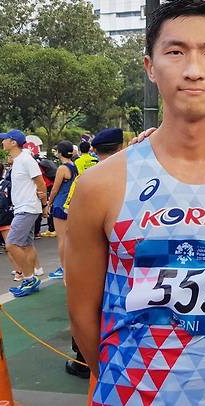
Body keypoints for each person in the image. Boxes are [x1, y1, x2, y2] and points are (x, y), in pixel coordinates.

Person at [65, 0, 205, 405]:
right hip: (129, 392)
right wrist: (126, 376)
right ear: (150, 67)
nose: (193, 69)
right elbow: (83, 315)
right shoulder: (101, 184)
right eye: (175, 52)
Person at [64, 127, 123, 380]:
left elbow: (70, 225)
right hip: (123, 273)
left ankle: (83, 361)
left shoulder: (87, 178)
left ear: (96, 149)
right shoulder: (136, 173)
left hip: (93, 263)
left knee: (86, 308)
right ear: (119, 147)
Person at [0, 129, 49, 297]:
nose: (2, 142)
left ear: (13, 142)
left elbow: (40, 182)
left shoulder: (26, 159)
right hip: (23, 207)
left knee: (11, 244)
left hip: (27, 208)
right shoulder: (19, 160)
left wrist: (44, 204)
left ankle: (28, 279)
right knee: (26, 245)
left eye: (5, 139)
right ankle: (33, 276)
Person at [45, 141, 78, 280]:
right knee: (69, 238)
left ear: (60, 152)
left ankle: (63, 268)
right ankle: (69, 266)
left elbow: (55, 188)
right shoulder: (74, 166)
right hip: (71, 205)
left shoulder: (62, 168)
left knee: (62, 239)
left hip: (60, 204)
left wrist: (48, 203)